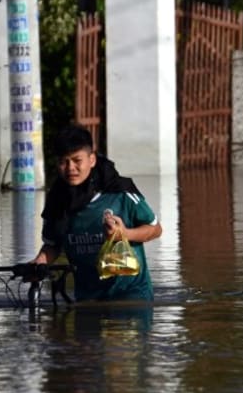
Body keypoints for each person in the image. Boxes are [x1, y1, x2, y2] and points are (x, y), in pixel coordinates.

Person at [31, 124, 163, 301]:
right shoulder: (56, 201)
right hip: (86, 299)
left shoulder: (120, 193)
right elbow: (53, 245)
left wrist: (125, 234)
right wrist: (38, 264)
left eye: (77, 161)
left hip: (132, 297)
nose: (70, 168)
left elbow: (155, 229)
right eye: (64, 162)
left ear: (91, 160)